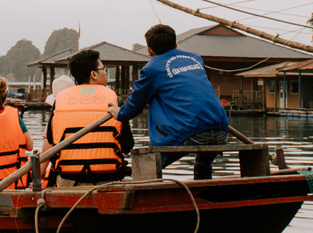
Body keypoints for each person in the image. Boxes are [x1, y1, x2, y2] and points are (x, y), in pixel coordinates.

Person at [114, 23, 230, 179]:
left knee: (152, 161)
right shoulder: (195, 59)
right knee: (203, 164)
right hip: (221, 128)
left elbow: (134, 107)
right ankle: (202, 196)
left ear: (149, 50)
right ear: (176, 44)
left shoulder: (151, 68)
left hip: (193, 132)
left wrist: (119, 113)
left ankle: (145, 190)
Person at [44, 48, 131, 185]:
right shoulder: (115, 100)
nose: (106, 73)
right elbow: (127, 145)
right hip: (107, 178)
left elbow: (51, 139)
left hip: (68, 179)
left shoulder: (59, 100)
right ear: (94, 74)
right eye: (104, 69)